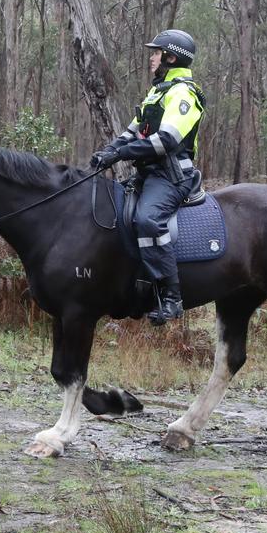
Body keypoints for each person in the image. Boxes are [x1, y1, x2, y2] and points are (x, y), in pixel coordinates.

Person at [90, 29, 205, 326]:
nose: (152, 58)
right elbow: (132, 131)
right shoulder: (158, 91)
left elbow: (166, 140)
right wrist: (108, 151)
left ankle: (171, 296)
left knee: (147, 219)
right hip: (148, 174)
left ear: (171, 56)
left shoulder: (184, 93)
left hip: (172, 177)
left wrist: (122, 154)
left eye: (156, 53)